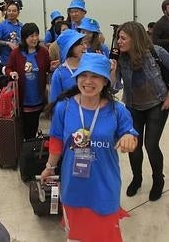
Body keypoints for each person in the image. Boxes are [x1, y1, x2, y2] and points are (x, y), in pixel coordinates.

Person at [41, 53, 138, 242]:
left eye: (95, 76)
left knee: (105, 236)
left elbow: (131, 136)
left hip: (105, 185)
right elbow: (56, 142)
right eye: (83, 75)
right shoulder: (64, 108)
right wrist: (49, 167)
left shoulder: (117, 110)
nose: (88, 81)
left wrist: (128, 138)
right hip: (74, 185)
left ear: (105, 81)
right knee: (76, 237)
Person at [112, 21, 169, 201]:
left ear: (135, 39)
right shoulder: (120, 58)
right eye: (117, 38)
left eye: (122, 38)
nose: (118, 42)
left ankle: (158, 180)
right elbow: (114, 88)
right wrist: (112, 70)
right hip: (133, 106)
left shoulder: (155, 52)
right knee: (134, 147)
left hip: (156, 104)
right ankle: (137, 179)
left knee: (151, 146)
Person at [5, 23, 52, 140]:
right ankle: (24, 147)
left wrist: (52, 67)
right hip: (22, 98)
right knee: (23, 127)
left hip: (37, 97)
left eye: (37, 35)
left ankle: (30, 146)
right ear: (24, 38)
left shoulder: (43, 52)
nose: (35, 39)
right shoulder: (16, 53)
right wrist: (11, 73)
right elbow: (8, 68)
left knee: (33, 125)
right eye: (31, 36)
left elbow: (47, 68)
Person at [48, 29, 86, 102]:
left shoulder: (87, 68)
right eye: (81, 44)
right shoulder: (59, 74)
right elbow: (54, 103)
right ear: (70, 48)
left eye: (84, 43)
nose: (85, 46)